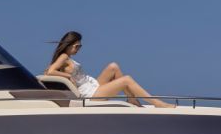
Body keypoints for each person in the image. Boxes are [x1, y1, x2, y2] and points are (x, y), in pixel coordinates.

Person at [43, 31, 174, 108]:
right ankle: (157, 103)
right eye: (77, 46)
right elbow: (50, 71)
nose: (79, 49)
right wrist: (68, 76)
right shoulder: (64, 57)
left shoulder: (67, 57)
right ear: (69, 45)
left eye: (80, 46)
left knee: (113, 66)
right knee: (126, 80)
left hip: (92, 86)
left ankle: (132, 99)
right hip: (90, 95)